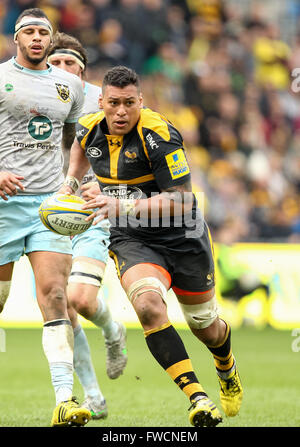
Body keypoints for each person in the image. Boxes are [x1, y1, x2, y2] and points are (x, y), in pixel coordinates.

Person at [60, 65, 243, 427]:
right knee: (146, 305)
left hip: (182, 235)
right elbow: (80, 147)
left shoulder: (159, 133)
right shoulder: (89, 127)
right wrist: (70, 181)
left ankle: (226, 365)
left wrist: (120, 204)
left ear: (140, 101)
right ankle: (198, 397)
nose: (121, 112)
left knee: (205, 326)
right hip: (133, 236)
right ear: (102, 102)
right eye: (114, 103)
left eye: (129, 103)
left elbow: (181, 200)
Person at [0, 8, 91, 427]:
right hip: (2, 207)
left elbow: (74, 139)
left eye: (44, 33)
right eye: (29, 31)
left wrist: (69, 183)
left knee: (55, 294)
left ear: (51, 40)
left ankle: (64, 399)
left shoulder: (69, 85)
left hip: (46, 209)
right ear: (16, 37)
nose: (37, 38)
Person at [47, 32, 128, 420]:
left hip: (91, 210)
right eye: (56, 63)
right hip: (46, 212)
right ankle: (92, 394)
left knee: (80, 299)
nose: (62, 70)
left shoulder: (102, 102)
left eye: (70, 64)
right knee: (62, 307)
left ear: (82, 69)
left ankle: (113, 331)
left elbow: (133, 148)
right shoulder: (31, 95)